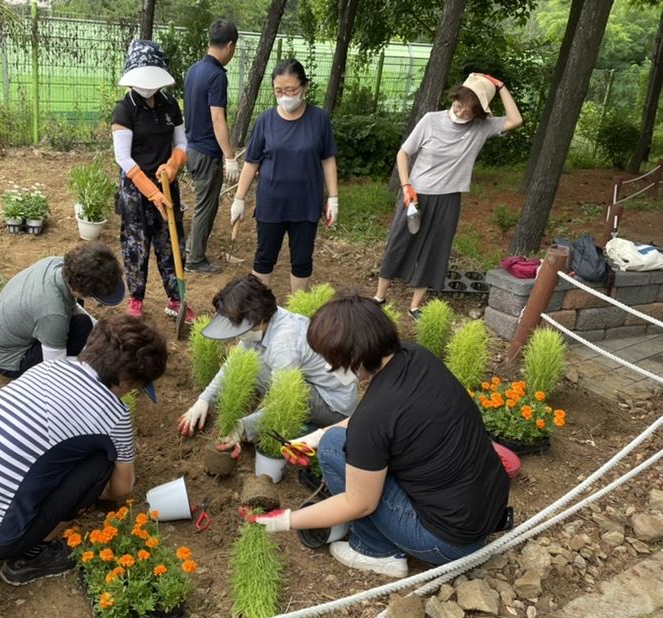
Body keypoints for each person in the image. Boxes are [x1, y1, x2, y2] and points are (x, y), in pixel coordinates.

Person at [245, 291, 510, 579]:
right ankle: (381, 537)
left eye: (329, 358)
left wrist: (284, 520)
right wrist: (316, 435)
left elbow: (359, 502)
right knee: (331, 440)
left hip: (447, 542)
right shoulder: (416, 357)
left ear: (353, 355)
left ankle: (374, 550)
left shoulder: (374, 418)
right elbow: (381, 421)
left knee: (333, 451)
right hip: (485, 510)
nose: (326, 366)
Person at [0, 315, 168, 586]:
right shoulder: (115, 416)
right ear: (127, 379)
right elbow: (122, 490)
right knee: (99, 466)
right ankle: (31, 558)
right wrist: (82, 489)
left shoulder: (46, 368)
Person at [375, 73, 522, 321]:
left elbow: (515, 119)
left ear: (479, 113)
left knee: (436, 251)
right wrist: (406, 186)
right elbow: (403, 154)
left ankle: (415, 306)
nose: (462, 112)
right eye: (458, 104)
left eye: (469, 110)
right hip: (417, 194)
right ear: (454, 98)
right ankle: (379, 297)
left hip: (448, 199)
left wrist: (501, 86)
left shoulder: (482, 127)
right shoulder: (431, 120)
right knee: (399, 243)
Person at [177, 275, 358, 454]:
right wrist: (204, 400)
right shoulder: (263, 321)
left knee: (257, 367)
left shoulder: (284, 344)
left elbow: (284, 399)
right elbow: (234, 363)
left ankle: (304, 424)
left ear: (258, 320)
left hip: (334, 406)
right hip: (313, 385)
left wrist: (244, 427)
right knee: (249, 363)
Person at [230, 59, 339, 293]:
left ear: (304, 87)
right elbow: (251, 163)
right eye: (279, 91)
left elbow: (328, 159)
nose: (285, 95)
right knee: (264, 258)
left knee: (302, 261)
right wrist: (239, 199)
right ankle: (260, 313)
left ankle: (297, 313)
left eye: (291, 90)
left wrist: (333, 198)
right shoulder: (265, 121)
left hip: (306, 204)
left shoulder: (319, 119)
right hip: (271, 203)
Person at [112, 39, 196, 323]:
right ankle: (136, 299)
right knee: (136, 242)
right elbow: (123, 157)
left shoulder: (170, 105)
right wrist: (150, 192)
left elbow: (182, 142)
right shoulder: (125, 109)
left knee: (170, 242)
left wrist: (173, 165)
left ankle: (177, 299)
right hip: (136, 188)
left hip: (165, 183)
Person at [0, 243, 126, 379]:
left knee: (84, 323)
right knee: (83, 329)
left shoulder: (57, 265)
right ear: (79, 290)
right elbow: (52, 368)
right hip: (11, 360)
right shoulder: (52, 313)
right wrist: (97, 363)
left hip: (5, 334)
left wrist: (103, 331)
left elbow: (72, 306)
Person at [182, 18, 240, 275]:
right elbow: (218, 119)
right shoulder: (217, 76)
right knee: (206, 205)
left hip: (191, 147)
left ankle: (193, 248)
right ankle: (195, 258)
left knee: (201, 202)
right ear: (230, 46)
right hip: (207, 153)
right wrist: (230, 157)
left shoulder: (194, 70)